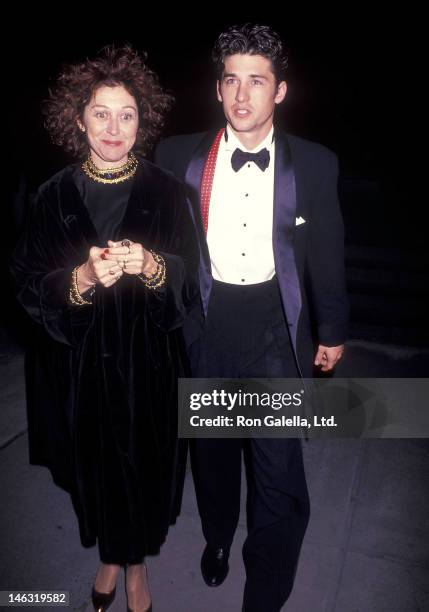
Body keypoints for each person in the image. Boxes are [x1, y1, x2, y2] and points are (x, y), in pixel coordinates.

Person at [155, 23, 348, 612]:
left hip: (274, 327)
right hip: (206, 325)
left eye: (256, 82)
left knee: (277, 466)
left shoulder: (314, 164)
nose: (242, 96)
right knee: (212, 454)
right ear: (218, 88)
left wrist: (333, 331)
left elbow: (327, 248)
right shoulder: (176, 156)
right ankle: (217, 538)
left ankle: (265, 589)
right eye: (231, 81)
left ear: (280, 91)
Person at [10, 45, 199, 612]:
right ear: (78, 119)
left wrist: (157, 267)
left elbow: (196, 285)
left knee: (143, 468)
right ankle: (115, 558)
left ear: (143, 121)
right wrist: (81, 279)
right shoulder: (52, 196)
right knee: (95, 472)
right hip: (80, 369)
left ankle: (131, 566)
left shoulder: (171, 194)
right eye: (101, 113)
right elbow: (24, 280)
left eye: (127, 115)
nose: (114, 128)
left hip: (150, 370)